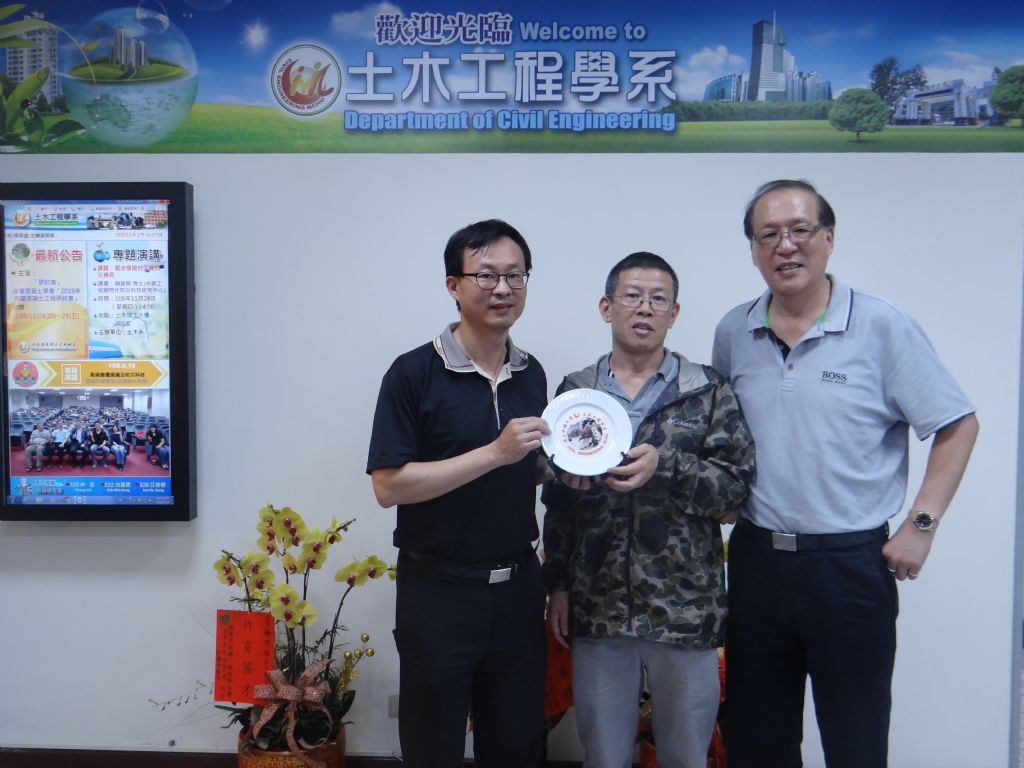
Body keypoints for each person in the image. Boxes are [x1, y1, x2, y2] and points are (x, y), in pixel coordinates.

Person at [712, 179, 979, 768]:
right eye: (768, 235)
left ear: (829, 238)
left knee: (855, 742)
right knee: (756, 740)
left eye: (800, 230)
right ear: (753, 250)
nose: (785, 246)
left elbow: (958, 424)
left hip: (850, 567)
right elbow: (726, 433)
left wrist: (922, 524)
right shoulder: (734, 331)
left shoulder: (883, 326)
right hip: (756, 562)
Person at [543, 253, 755, 768]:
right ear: (607, 307)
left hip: (686, 609)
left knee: (686, 755)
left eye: (658, 299)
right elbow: (559, 503)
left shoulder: (707, 390)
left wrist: (667, 465)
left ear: (674, 313)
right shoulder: (577, 393)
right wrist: (559, 585)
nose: (645, 308)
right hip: (599, 607)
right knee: (604, 756)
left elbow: (735, 490)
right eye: (632, 296)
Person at [367, 219, 551, 768]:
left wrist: (567, 469)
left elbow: (522, 470)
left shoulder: (531, 373)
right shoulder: (413, 373)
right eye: (486, 275)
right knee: (433, 748)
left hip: (519, 589)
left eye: (515, 275)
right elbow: (388, 486)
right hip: (438, 592)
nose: (503, 288)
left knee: (517, 746)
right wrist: (494, 452)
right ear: (454, 284)